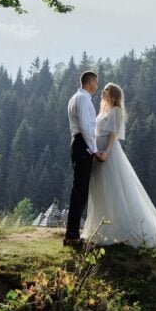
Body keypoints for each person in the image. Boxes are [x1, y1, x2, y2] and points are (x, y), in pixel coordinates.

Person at [82, 82, 156, 247]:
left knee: (113, 189)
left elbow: (113, 135)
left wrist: (106, 152)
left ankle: (122, 229)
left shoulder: (115, 111)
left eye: (106, 89)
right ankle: (101, 229)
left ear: (113, 94)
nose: (103, 91)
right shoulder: (103, 111)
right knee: (99, 189)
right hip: (97, 151)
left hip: (108, 153)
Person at [64, 70, 104, 247]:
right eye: (96, 82)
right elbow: (86, 127)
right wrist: (94, 150)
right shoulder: (82, 99)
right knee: (80, 190)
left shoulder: (76, 98)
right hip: (82, 144)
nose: (97, 86)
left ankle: (72, 233)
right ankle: (72, 235)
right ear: (89, 82)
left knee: (79, 189)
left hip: (79, 143)